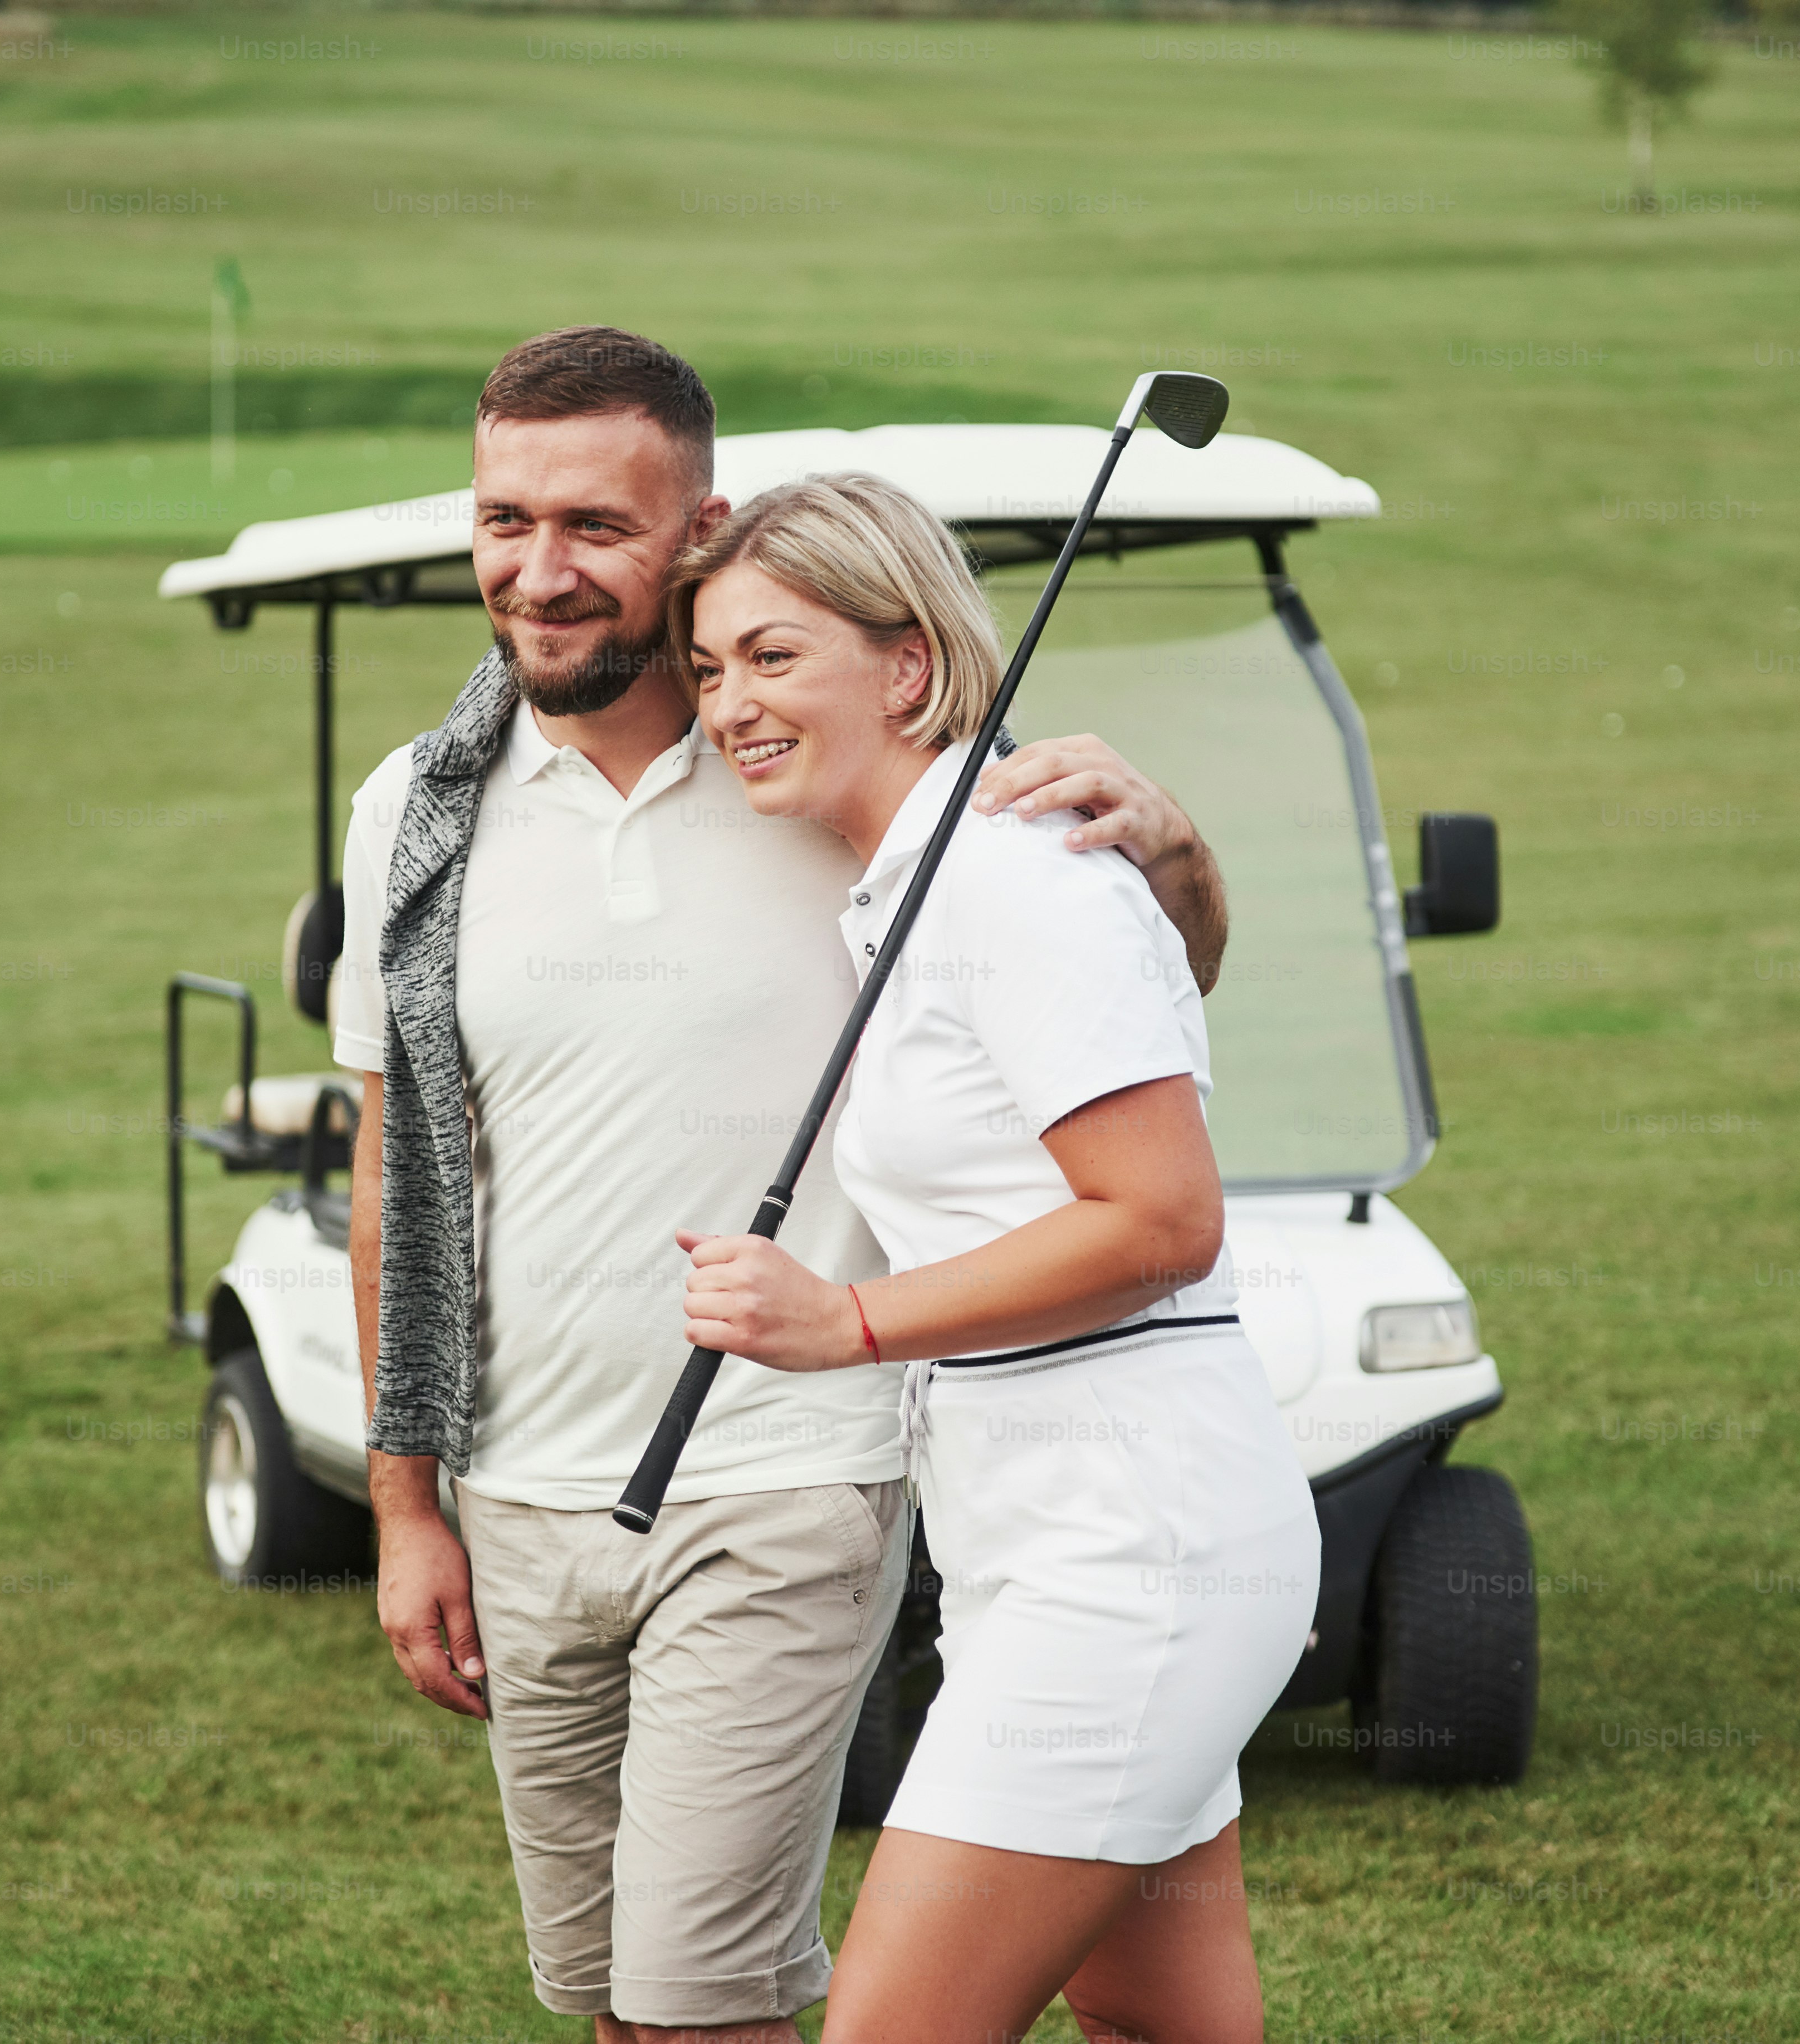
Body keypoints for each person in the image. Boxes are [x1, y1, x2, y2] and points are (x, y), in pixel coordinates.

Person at [332, 327, 1235, 2043]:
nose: (539, 571)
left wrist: (1177, 855)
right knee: (603, 2003)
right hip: (523, 1496)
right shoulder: (413, 812)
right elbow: (402, 1157)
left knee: (700, 2010)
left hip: (786, 1478)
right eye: (502, 520)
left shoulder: (823, 763)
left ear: (698, 524)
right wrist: (402, 1502)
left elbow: (1116, 998)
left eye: (595, 526)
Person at [670, 473, 1320, 2044]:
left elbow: (1162, 1221)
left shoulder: (1008, 875)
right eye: (705, 670)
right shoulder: (913, 875)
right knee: (1161, 2023)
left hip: (1130, 1550)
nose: (726, 707)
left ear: (905, 666)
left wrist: (848, 1321)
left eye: (770, 656)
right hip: (1044, 1537)